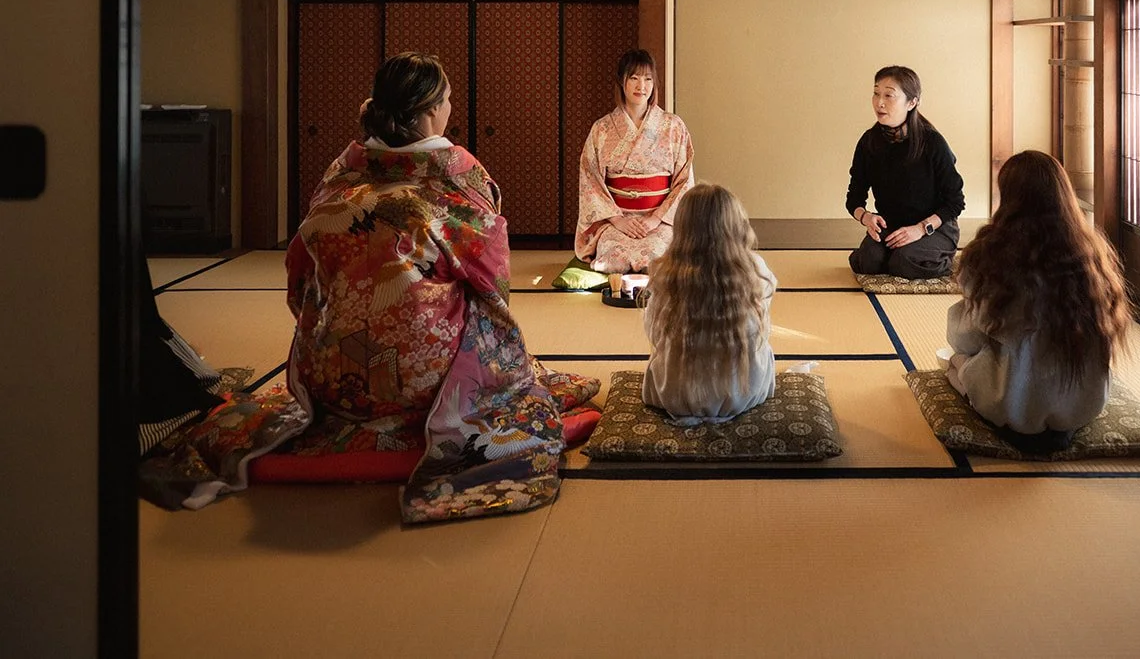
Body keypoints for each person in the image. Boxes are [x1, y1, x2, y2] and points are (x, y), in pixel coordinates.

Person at [142, 53, 596, 524]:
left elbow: (299, 280)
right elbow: (495, 281)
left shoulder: (340, 181)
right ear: (431, 110)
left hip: (338, 378)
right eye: (446, 100)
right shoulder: (453, 181)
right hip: (427, 381)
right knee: (482, 310)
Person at [944, 150, 1132, 451]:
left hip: (1014, 406)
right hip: (1081, 404)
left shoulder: (993, 253)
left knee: (957, 363)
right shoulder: (1091, 253)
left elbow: (967, 337)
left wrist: (960, 350)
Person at [641, 183, 777, 423]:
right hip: (741, 393)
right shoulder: (755, 268)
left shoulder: (665, 272)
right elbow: (760, 330)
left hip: (674, 395)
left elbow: (653, 334)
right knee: (761, 347)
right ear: (736, 225)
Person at [575, 48, 695, 273]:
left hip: (660, 220)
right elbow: (590, 180)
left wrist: (656, 218)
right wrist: (618, 220)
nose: (642, 86)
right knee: (613, 261)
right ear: (622, 81)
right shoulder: (602, 129)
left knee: (654, 259)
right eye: (635, 78)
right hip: (616, 219)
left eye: (648, 79)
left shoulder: (673, 126)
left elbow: (684, 181)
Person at [845, 65, 965, 279]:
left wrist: (920, 229)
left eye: (889, 95)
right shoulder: (869, 142)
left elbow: (955, 201)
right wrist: (866, 217)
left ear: (912, 102)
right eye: (876, 93)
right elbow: (854, 197)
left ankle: (943, 257)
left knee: (903, 262)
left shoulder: (932, 142)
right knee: (868, 262)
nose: (879, 102)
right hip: (892, 226)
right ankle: (896, 254)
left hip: (934, 227)